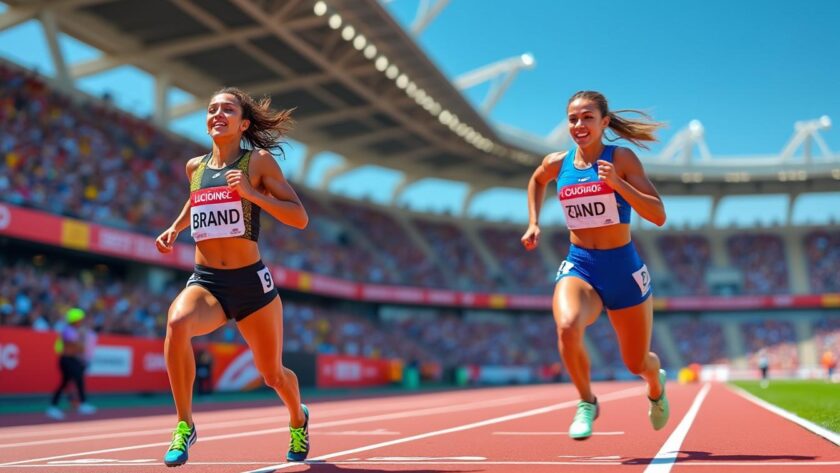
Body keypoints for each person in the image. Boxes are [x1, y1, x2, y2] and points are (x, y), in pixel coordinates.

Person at [155, 87, 310, 467]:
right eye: (211, 109)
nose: (217, 114)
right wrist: (175, 228)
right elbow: (197, 198)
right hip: (207, 282)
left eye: (227, 108)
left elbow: (299, 217)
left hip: (251, 285)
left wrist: (253, 196)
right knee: (177, 323)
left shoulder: (256, 162)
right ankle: (184, 424)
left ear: (243, 123)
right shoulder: (195, 166)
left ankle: (298, 418)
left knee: (272, 374)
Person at [521, 90, 669, 440]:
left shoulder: (622, 158)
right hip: (580, 266)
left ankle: (655, 382)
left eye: (587, 117)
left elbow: (659, 215)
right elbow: (536, 180)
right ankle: (587, 402)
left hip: (623, 270)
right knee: (567, 326)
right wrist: (533, 221)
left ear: (604, 122)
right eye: (573, 118)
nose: (579, 124)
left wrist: (617, 184)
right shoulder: (559, 163)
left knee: (636, 363)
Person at [46, 308, 97, 419]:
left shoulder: (74, 330)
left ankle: (76, 404)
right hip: (66, 360)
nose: (82, 321)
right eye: (81, 319)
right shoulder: (68, 330)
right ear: (76, 319)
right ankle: (57, 406)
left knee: (70, 381)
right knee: (74, 380)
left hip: (72, 360)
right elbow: (78, 347)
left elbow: (80, 347)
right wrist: (82, 339)